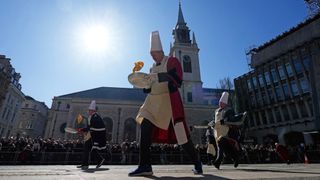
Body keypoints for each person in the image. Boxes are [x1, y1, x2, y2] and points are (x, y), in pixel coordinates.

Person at [128, 31, 202, 176]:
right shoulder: (151, 68)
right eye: (150, 53)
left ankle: (197, 162)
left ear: (161, 51)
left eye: (154, 52)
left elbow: (177, 78)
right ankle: (145, 165)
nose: (152, 55)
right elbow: (149, 87)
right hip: (152, 103)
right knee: (145, 126)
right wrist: (142, 82)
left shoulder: (172, 61)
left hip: (168, 103)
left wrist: (156, 77)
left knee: (182, 136)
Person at [212, 92, 246, 170]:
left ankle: (218, 161)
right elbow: (215, 120)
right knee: (223, 147)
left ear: (225, 103)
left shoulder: (229, 110)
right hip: (217, 131)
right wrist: (213, 123)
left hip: (226, 131)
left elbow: (232, 118)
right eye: (220, 102)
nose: (220, 104)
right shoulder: (216, 110)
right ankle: (235, 158)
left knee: (221, 145)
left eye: (222, 103)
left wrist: (241, 115)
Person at [77, 100, 108, 170]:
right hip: (92, 135)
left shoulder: (96, 116)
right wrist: (82, 130)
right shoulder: (90, 117)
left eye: (89, 110)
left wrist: (83, 130)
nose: (88, 111)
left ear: (92, 110)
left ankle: (86, 164)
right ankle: (88, 163)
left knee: (88, 149)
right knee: (88, 149)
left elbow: (96, 127)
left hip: (95, 136)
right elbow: (89, 127)